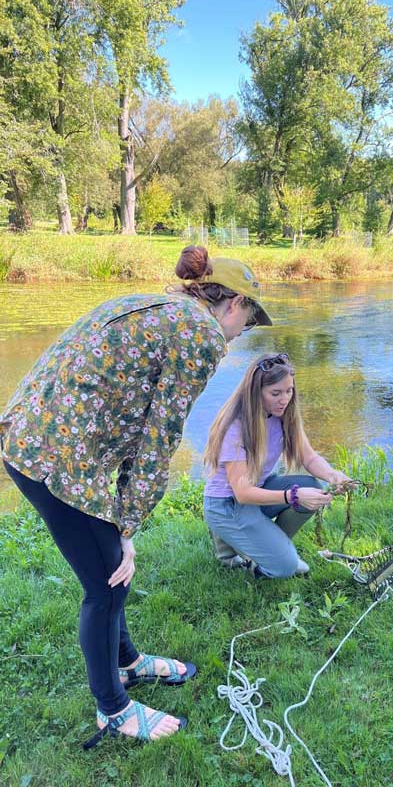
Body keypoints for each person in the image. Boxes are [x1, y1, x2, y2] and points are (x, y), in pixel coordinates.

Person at [0, 246, 272, 746]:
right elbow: (159, 437)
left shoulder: (155, 306)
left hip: (30, 436)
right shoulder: (201, 335)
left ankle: (125, 660)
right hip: (54, 460)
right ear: (231, 304)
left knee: (108, 572)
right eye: (248, 322)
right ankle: (113, 709)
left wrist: (119, 517)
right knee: (107, 584)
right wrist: (128, 526)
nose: (240, 337)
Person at [203, 353, 351, 578]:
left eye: (289, 390)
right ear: (256, 392)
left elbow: (308, 457)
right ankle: (262, 555)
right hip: (227, 504)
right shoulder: (235, 425)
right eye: (276, 393)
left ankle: (266, 546)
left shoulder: (283, 414)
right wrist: (293, 496)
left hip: (257, 490)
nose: (285, 399)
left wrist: (333, 475)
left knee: (312, 484)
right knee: (285, 568)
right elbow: (242, 493)